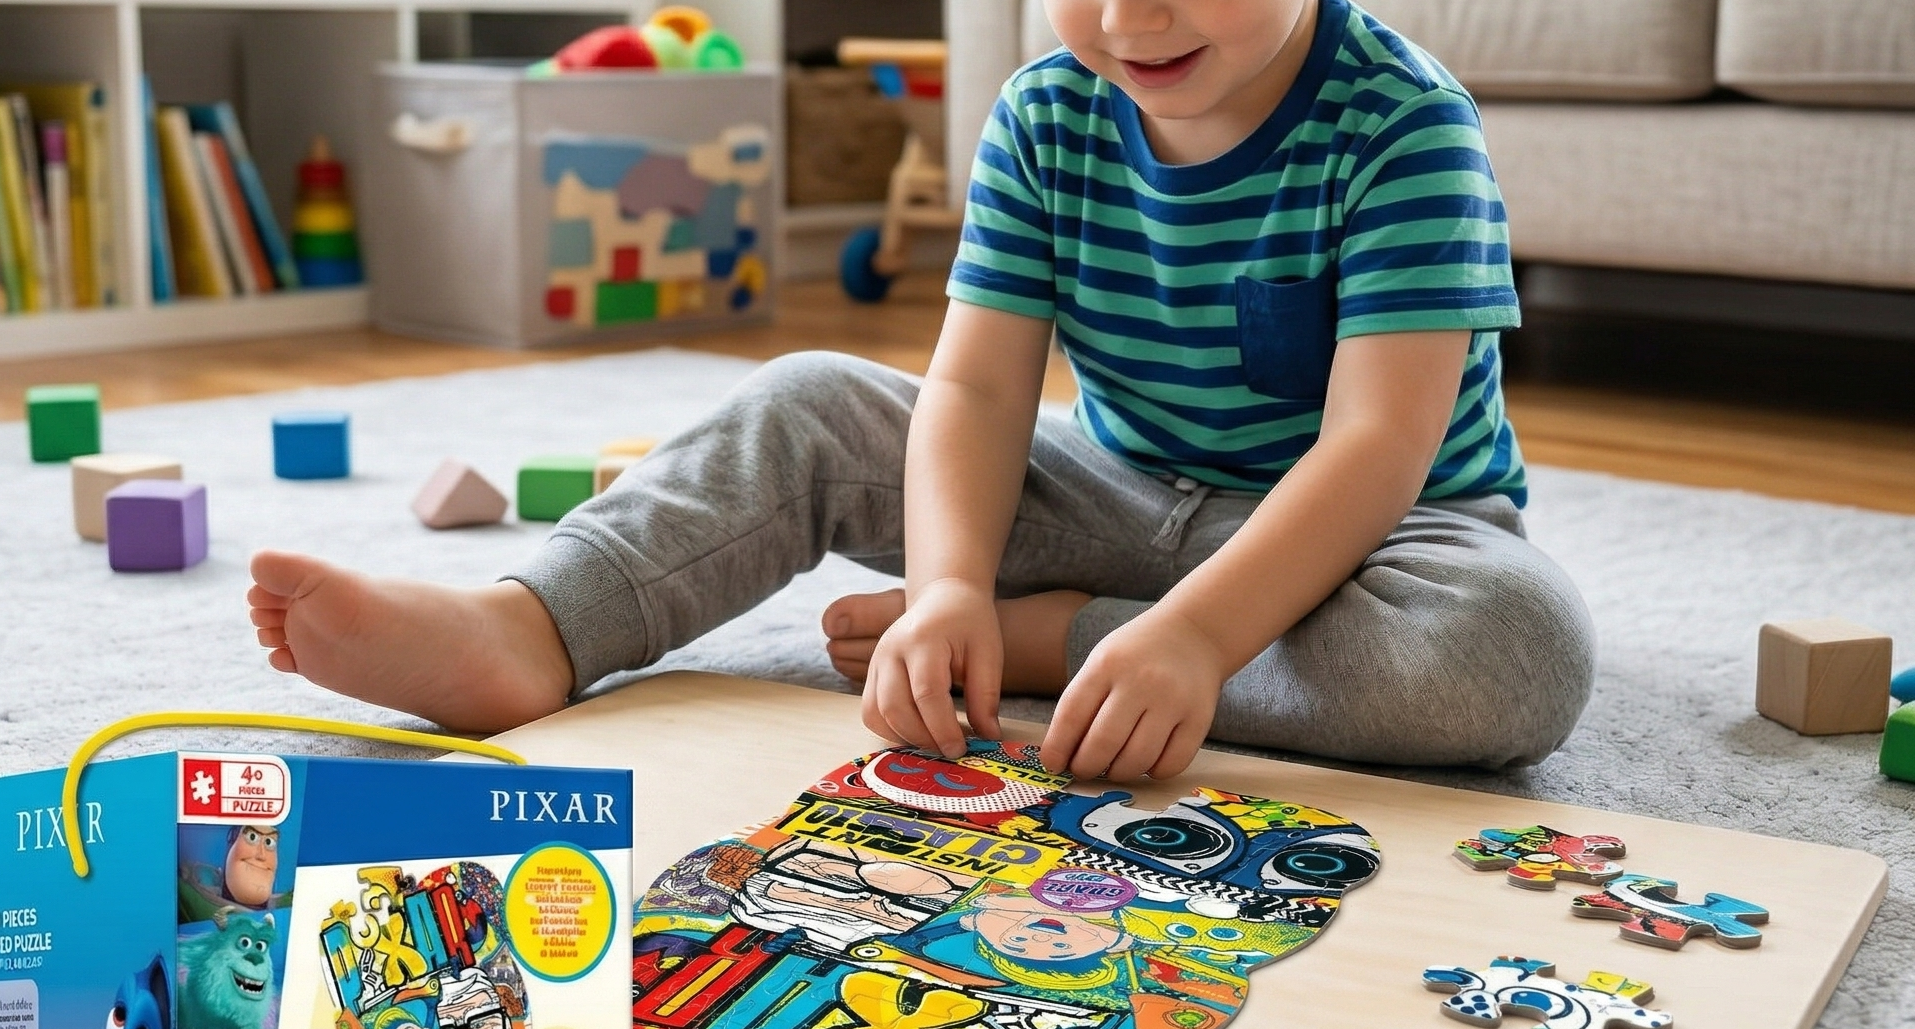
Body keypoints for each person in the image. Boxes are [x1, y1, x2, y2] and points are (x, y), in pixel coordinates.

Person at [245, 0, 1593, 778]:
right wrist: (948, 585)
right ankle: (534, 625)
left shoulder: (1406, 123)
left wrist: (1187, 640)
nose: (1132, 18)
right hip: (1123, 494)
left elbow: (1374, 448)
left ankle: (1056, 642)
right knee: (808, 400)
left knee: (1509, 653)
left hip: (1377, 539)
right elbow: (981, 395)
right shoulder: (1046, 112)